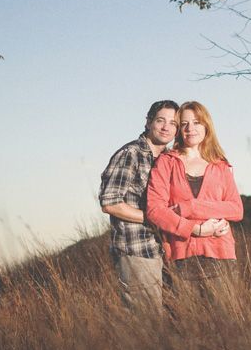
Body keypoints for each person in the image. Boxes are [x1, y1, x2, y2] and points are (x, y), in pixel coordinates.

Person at [146, 101, 242, 296]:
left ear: (206, 126)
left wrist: (190, 207)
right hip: (181, 258)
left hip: (221, 255)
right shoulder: (166, 162)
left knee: (226, 324)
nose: (191, 129)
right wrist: (195, 230)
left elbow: (236, 209)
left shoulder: (220, 165)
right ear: (179, 129)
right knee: (185, 325)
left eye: (197, 122)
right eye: (184, 124)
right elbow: (155, 210)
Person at [98, 100, 181, 310]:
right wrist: (153, 217)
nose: (166, 127)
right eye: (160, 120)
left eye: (173, 123)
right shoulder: (131, 153)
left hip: (164, 250)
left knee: (173, 321)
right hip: (136, 249)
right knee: (147, 322)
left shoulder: (170, 159)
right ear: (148, 122)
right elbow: (110, 202)